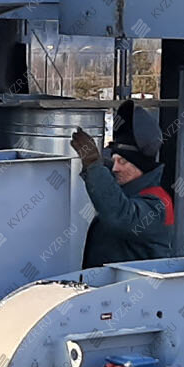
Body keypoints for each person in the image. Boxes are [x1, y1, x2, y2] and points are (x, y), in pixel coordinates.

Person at [70, 100, 175, 267]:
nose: (115, 168)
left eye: (123, 161)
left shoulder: (158, 204)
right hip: (115, 282)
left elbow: (120, 216)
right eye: (114, 161)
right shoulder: (127, 192)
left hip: (137, 284)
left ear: (141, 165)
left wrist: (93, 164)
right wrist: (97, 166)